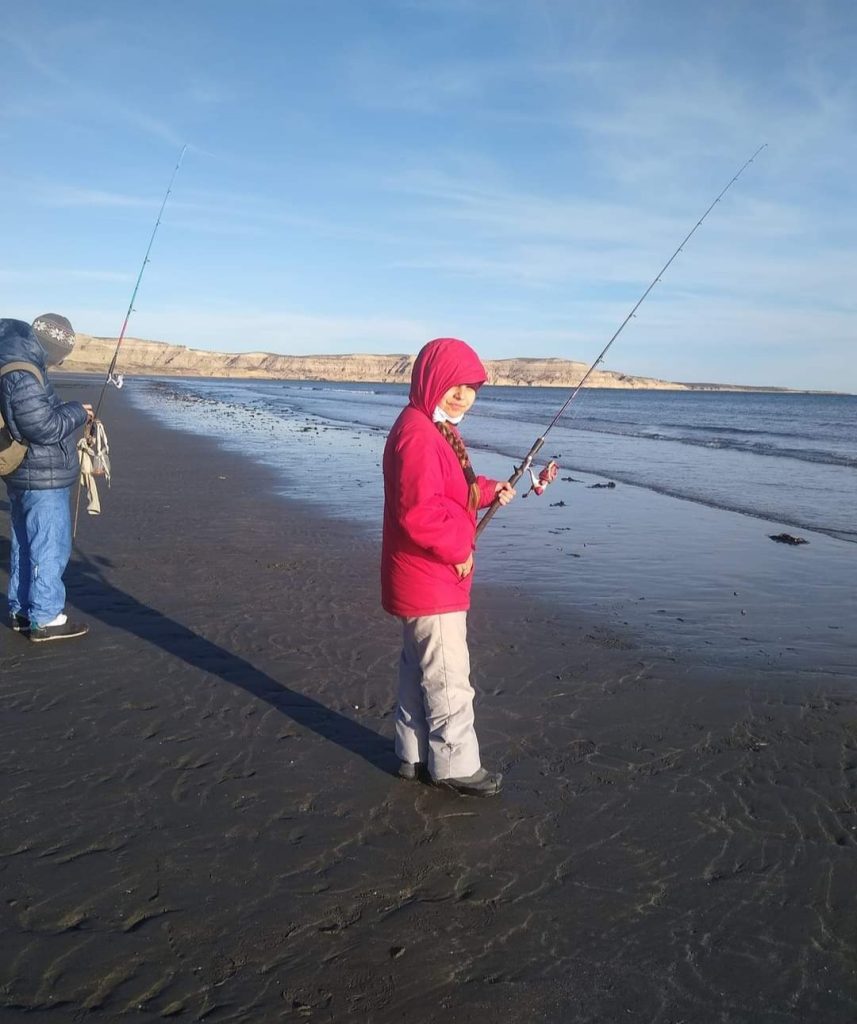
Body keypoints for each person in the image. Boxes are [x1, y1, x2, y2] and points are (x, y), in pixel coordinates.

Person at [381, 337, 516, 797]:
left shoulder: (434, 426)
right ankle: (455, 765)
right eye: (452, 384)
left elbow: (456, 488)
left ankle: (413, 756)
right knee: (447, 677)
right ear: (429, 380)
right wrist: (460, 549)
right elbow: (419, 513)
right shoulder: (419, 433)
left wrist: (493, 489)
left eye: (470, 386)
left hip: (421, 579)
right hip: (430, 581)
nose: (461, 395)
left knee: (416, 670)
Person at [0, 314, 93, 641]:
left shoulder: (17, 359)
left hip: (27, 473)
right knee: (48, 547)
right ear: (54, 348)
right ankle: (46, 617)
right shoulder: (22, 371)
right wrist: (78, 412)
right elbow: (42, 427)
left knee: (26, 544)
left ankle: (23, 611)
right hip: (40, 477)